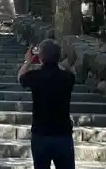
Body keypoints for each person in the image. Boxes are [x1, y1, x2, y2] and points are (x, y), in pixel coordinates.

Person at [18, 39, 75, 169]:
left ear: (40, 56)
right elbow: (67, 70)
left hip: (40, 135)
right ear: (59, 56)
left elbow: (20, 77)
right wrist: (56, 61)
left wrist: (28, 61)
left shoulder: (34, 76)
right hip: (63, 135)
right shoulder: (68, 78)